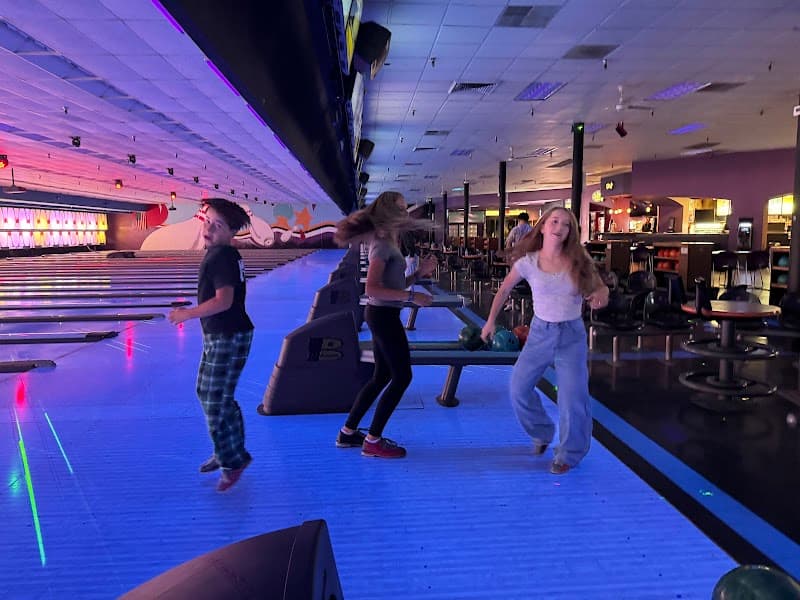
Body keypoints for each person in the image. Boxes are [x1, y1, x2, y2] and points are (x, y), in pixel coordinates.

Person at [481, 206, 609, 475]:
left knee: (573, 397)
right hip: (540, 332)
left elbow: (600, 288)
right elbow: (504, 289)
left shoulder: (578, 259)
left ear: (569, 232)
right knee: (518, 388)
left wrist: (600, 296)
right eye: (554, 221)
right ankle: (541, 431)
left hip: (571, 334)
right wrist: (490, 321)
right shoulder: (528, 262)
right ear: (542, 226)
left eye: (565, 224)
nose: (559, 227)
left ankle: (568, 455)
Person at [333, 191, 437, 458]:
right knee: (403, 376)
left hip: (383, 315)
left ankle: (347, 433)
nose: (405, 214)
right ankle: (373, 440)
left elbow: (393, 285)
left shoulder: (389, 240)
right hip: (382, 317)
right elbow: (373, 288)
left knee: (382, 376)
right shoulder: (381, 243)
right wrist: (414, 297)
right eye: (401, 209)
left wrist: (417, 274)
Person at [168, 198, 254, 492]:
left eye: (218, 225)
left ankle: (232, 459)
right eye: (208, 222)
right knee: (210, 393)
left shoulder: (221, 256)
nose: (209, 228)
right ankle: (229, 451)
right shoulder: (224, 253)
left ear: (231, 232)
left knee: (215, 398)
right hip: (225, 334)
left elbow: (224, 300)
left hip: (228, 336)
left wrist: (186, 314)